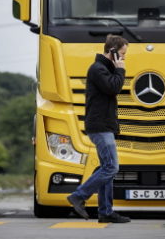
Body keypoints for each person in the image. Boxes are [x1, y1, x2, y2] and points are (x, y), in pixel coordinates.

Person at [67, 34, 131, 223]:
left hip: (104, 126)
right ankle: (79, 196)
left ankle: (105, 212)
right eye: (122, 54)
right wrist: (121, 70)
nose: (124, 58)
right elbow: (114, 88)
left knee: (106, 168)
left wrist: (117, 69)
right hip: (100, 126)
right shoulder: (98, 69)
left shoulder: (104, 69)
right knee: (112, 167)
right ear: (112, 52)